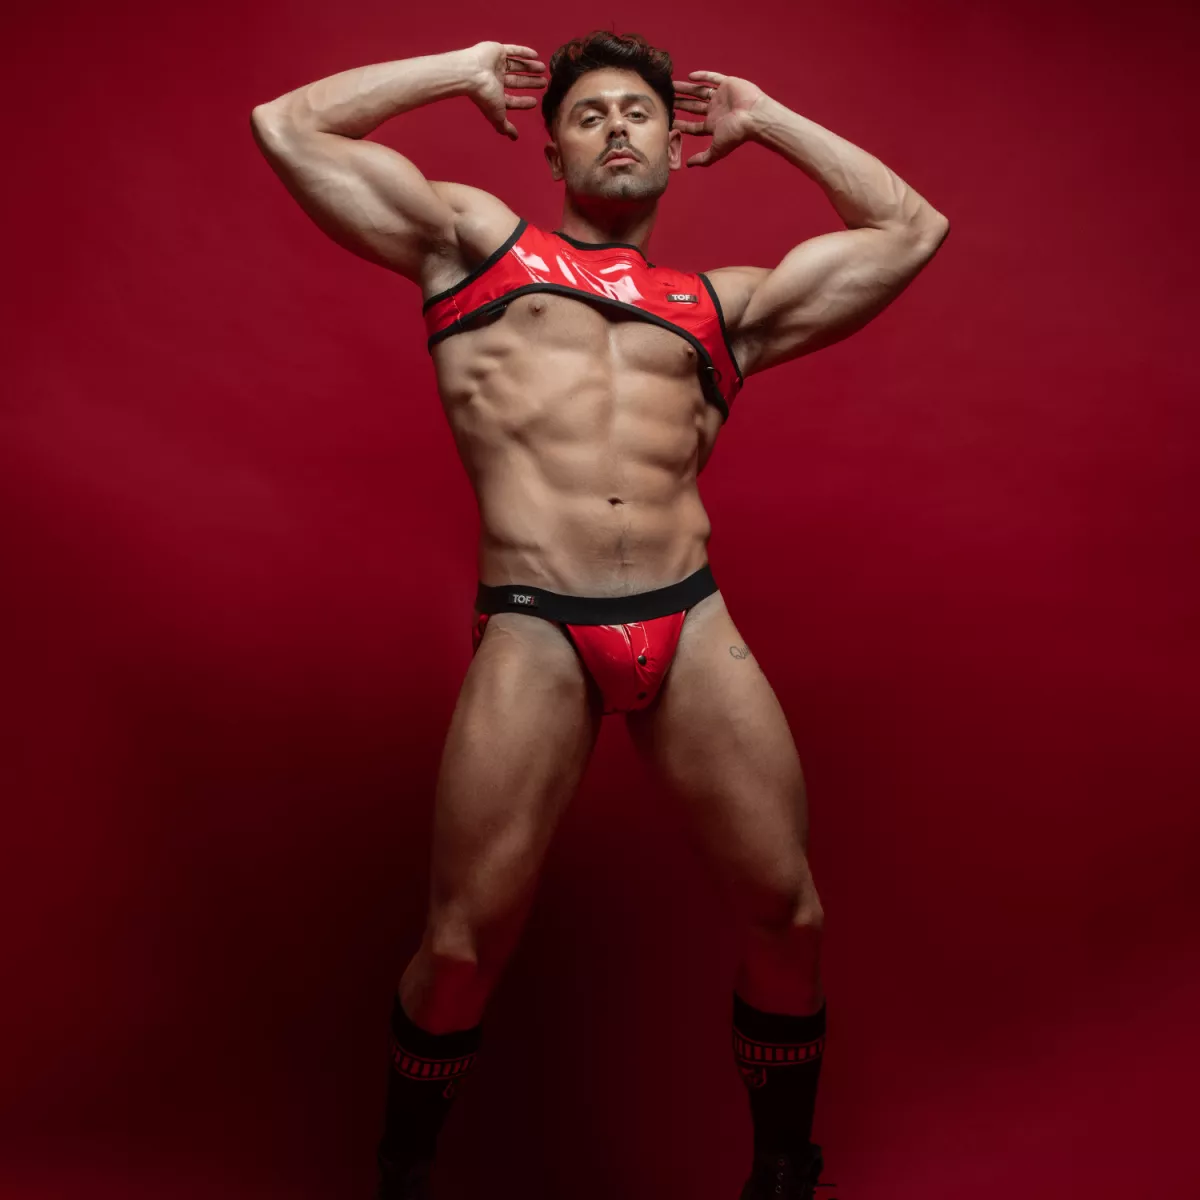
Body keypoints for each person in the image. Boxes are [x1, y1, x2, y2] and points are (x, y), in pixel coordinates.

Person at [251, 29, 948, 1200]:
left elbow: (911, 229)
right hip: (538, 622)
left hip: (689, 618)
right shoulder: (476, 247)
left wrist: (769, 117)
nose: (617, 127)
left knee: (788, 917)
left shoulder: (722, 308)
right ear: (553, 151)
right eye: (589, 114)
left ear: (674, 152)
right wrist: (455, 72)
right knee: (461, 950)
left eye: (639, 114)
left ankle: (784, 1172)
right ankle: (403, 1170)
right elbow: (287, 126)